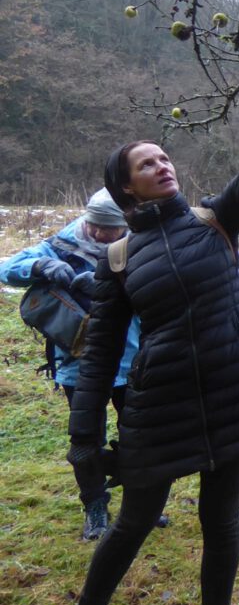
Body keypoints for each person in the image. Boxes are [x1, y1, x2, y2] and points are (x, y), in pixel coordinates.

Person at [57, 43, 239, 605]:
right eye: (146, 163)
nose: (162, 164)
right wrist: (84, 439)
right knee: (135, 521)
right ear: (126, 187)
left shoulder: (213, 221)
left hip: (232, 394)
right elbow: (100, 356)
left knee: (221, 525)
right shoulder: (117, 262)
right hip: (158, 410)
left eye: (163, 156)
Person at [0, 189, 141, 540]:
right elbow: (6, 269)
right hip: (78, 365)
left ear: (122, 226)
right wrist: (41, 266)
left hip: (135, 360)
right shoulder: (61, 245)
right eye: (94, 224)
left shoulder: (138, 247)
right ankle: (95, 509)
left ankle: (141, 508)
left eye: (107, 229)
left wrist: (109, 285)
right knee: (85, 442)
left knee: (140, 437)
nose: (97, 234)